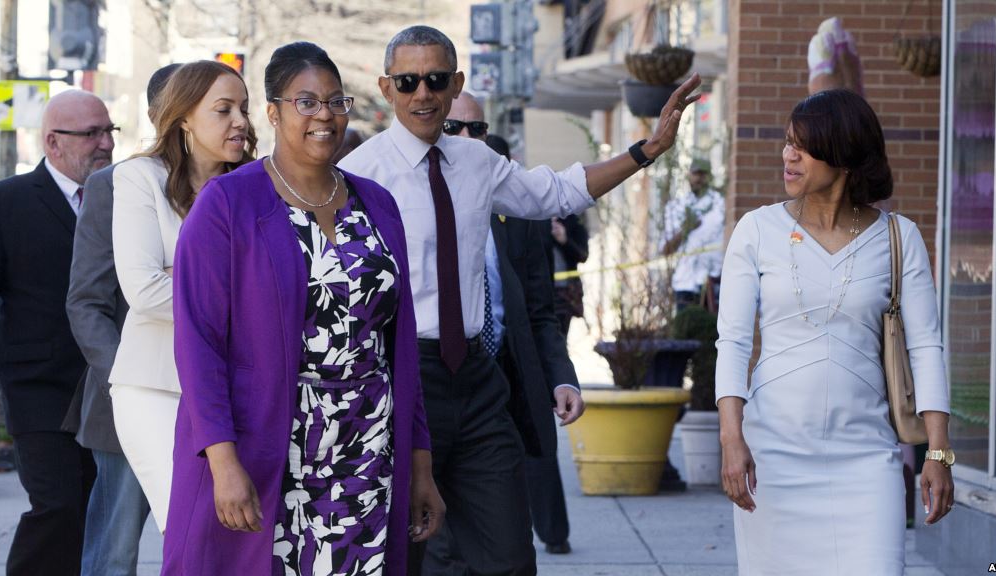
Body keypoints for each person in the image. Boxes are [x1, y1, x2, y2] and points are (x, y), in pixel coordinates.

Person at [339, 25, 699, 575]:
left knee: (510, 557)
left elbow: (556, 191)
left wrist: (645, 150)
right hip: (404, 379)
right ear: (387, 89)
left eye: (436, 80)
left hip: (479, 384)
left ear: (455, 81)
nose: (423, 94)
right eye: (408, 81)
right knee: (407, 555)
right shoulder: (360, 175)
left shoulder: (476, 162)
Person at [162, 42, 443, 576]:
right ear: (273, 112)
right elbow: (197, 346)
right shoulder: (227, 204)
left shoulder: (376, 203)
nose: (325, 116)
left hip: (368, 449)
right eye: (307, 102)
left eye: (337, 102)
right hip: (272, 447)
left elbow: (398, 347)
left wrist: (420, 465)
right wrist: (222, 463)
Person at [715, 89, 954, 574]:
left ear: (843, 155)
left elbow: (926, 345)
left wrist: (938, 452)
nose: (788, 155)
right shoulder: (756, 230)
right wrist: (731, 439)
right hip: (773, 458)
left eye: (803, 145)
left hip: (867, 460)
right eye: (787, 142)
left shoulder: (898, 236)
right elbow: (734, 342)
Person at [108, 60, 256, 533]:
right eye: (223, 109)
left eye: (245, 108)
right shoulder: (140, 178)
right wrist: (240, 294)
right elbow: (144, 290)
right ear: (185, 117)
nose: (241, 121)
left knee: (241, 532)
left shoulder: (258, 187)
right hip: (154, 386)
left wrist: (189, 277)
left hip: (237, 389)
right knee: (191, 528)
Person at [436, 97, 582, 562]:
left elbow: (539, 311)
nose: (466, 140)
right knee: (441, 544)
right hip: (435, 383)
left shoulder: (517, 213)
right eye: (453, 127)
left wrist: (561, 376)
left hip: (504, 383)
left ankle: (550, 531)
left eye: (476, 130)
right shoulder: (405, 201)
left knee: (508, 545)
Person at [0, 89, 112, 576]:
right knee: (56, 505)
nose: (105, 144)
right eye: (91, 134)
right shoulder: (2, 203)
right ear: (53, 143)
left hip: (107, 385)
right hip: (40, 388)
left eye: (108, 131)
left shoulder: (125, 196)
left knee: (96, 508)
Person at [65, 62, 179, 576]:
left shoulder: (235, 180)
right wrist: (126, 380)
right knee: (114, 551)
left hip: (216, 393)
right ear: (161, 114)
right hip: (130, 397)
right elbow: (86, 301)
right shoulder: (115, 185)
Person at [660, 157, 724, 313]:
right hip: (685, 282)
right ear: (689, 175)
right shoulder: (676, 207)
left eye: (703, 174)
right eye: (696, 174)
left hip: (713, 280)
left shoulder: (721, 204)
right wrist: (685, 229)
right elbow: (665, 250)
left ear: (709, 176)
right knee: (684, 332)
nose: (699, 179)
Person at [548, 214, 589, 339]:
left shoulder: (573, 221)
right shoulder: (534, 220)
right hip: (540, 290)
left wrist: (564, 240)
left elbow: (583, 255)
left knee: (560, 336)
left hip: (564, 292)